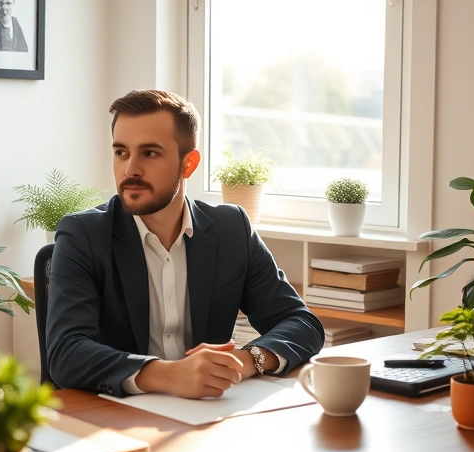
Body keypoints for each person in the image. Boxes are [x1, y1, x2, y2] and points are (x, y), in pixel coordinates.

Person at [46, 89, 325, 400]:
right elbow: (65, 352)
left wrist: (244, 362)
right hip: (117, 414)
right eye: (121, 152)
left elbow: (302, 323)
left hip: (204, 411)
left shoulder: (231, 229)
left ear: (188, 164)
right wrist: (167, 374)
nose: (130, 170)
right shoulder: (82, 234)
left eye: (149, 153)